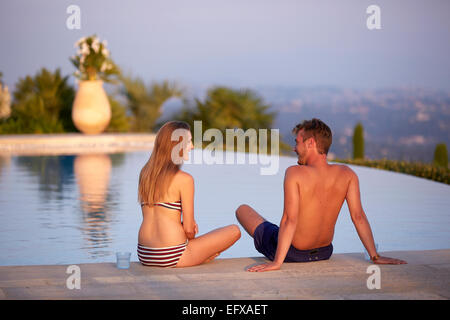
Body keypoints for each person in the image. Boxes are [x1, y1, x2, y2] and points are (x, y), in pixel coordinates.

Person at [236, 118, 407, 272]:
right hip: (325, 252)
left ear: (310, 143)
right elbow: (358, 216)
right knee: (276, 228)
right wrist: (375, 256)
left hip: (293, 253)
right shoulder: (347, 174)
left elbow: (290, 219)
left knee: (243, 210)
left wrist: (277, 262)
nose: (294, 148)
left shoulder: (295, 173)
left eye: (297, 143)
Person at [138, 121, 240, 268]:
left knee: (198, 244)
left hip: (145, 254)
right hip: (172, 255)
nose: (192, 146)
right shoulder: (184, 179)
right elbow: (189, 230)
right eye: (189, 142)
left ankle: (199, 256)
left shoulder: (145, 174)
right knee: (234, 231)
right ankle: (200, 257)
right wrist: (189, 231)